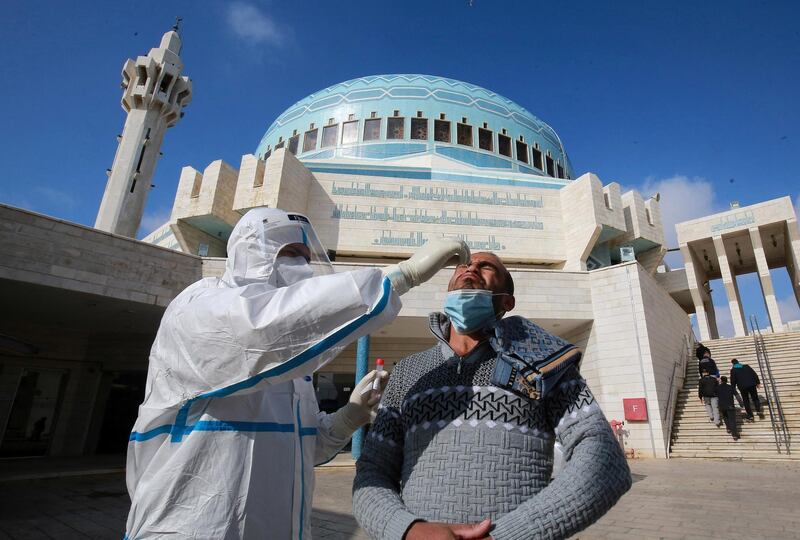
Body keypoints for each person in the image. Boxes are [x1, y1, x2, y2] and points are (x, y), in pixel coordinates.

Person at [124, 208, 469, 539]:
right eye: (290, 253)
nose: (302, 266)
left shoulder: (291, 368)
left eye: (306, 257)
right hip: (191, 529)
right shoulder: (199, 306)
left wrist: (349, 417)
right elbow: (260, 329)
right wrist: (401, 277)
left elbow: (306, 449)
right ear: (249, 254)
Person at [352, 252, 631, 540]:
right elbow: (372, 470)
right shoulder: (409, 372)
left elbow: (604, 457)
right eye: (464, 265)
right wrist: (407, 530)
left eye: (486, 267)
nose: (471, 268)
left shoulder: (543, 364)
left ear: (506, 301)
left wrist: (510, 535)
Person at [717, 376, 743, 440]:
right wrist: (741, 403)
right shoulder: (731, 387)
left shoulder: (717, 388)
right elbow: (737, 396)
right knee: (732, 420)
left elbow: (714, 396)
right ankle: (734, 435)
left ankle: (728, 428)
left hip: (722, 406)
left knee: (725, 417)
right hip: (730, 406)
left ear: (721, 381)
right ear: (726, 380)